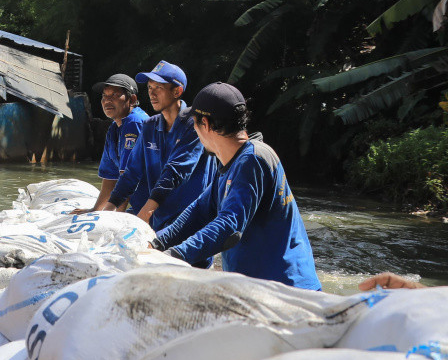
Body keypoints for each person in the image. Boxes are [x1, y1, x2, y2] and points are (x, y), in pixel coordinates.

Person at [151, 82, 321, 290]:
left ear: (205, 124)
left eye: (194, 124)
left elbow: (229, 225)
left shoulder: (254, 160)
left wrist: (174, 255)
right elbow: (198, 211)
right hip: (259, 288)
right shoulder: (230, 163)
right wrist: (155, 243)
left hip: (287, 290)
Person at [99, 60, 212, 230]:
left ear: (177, 91)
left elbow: (177, 170)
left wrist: (146, 212)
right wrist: (108, 209)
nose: (152, 94)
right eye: (150, 88)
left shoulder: (195, 124)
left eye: (158, 88)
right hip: (159, 218)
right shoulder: (150, 126)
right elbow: (131, 173)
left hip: (190, 219)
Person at [74, 74, 150, 214]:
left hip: (154, 208)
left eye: (114, 95)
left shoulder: (135, 123)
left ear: (132, 99)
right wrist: (95, 210)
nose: (107, 101)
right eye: (104, 96)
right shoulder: (114, 128)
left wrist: (116, 216)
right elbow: (110, 178)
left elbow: (128, 178)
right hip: (140, 206)